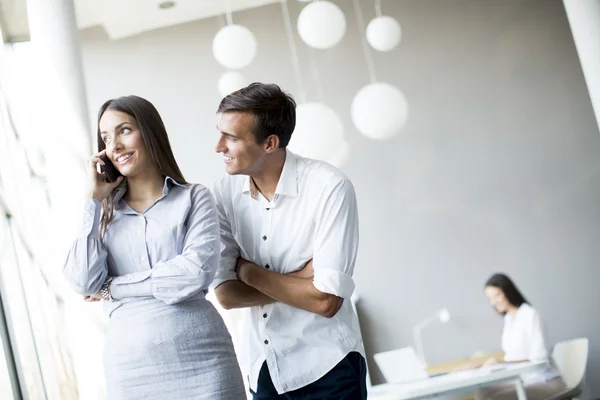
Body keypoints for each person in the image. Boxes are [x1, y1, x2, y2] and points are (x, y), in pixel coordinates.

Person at [63, 95, 245, 400]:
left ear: (149, 132)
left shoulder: (195, 198)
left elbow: (193, 274)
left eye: (124, 131)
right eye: (106, 138)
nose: (115, 146)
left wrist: (113, 288)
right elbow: (82, 282)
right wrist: (92, 200)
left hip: (204, 361)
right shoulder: (103, 216)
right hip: (131, 370)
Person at [211, 82, 367, 399]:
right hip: (265, 371)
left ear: (270, 143)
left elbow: (326, 301)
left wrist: (248, 272)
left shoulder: (329, 187)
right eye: (219, 132)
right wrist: (299, 281)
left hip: (329, 368)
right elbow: (226, 295)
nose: (218, 146)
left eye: (232, 137)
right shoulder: (223, 196)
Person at [475, 273, 566, 400]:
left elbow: (539, 358)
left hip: (546, 382)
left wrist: (501, 362)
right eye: (490, 298)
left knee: (494, 398)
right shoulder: (508, 319)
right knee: (482, 392)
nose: (494, 302)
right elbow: (512, 356)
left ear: (508, 291)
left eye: (497, 295)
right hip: (524, 381)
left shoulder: (530, 315)